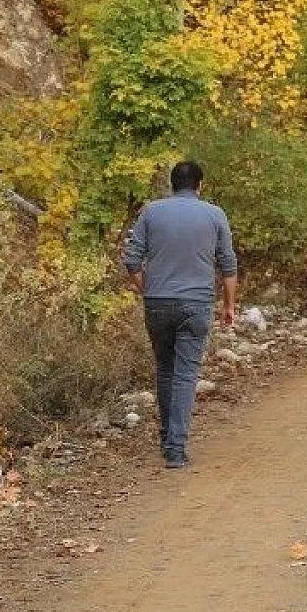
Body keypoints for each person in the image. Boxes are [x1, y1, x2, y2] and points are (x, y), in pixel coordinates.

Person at [122, 160, 239, 470]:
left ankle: (165, 437)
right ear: (199, 186)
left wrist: (147, 287)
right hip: (197, 303)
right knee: (186, 375)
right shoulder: (214, 214)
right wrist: (229, 305)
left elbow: (131, 259)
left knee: (164, 369)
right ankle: (176, 447)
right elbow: (228, 264)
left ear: (172, 185)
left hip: (158, 300)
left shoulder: (151, 212)